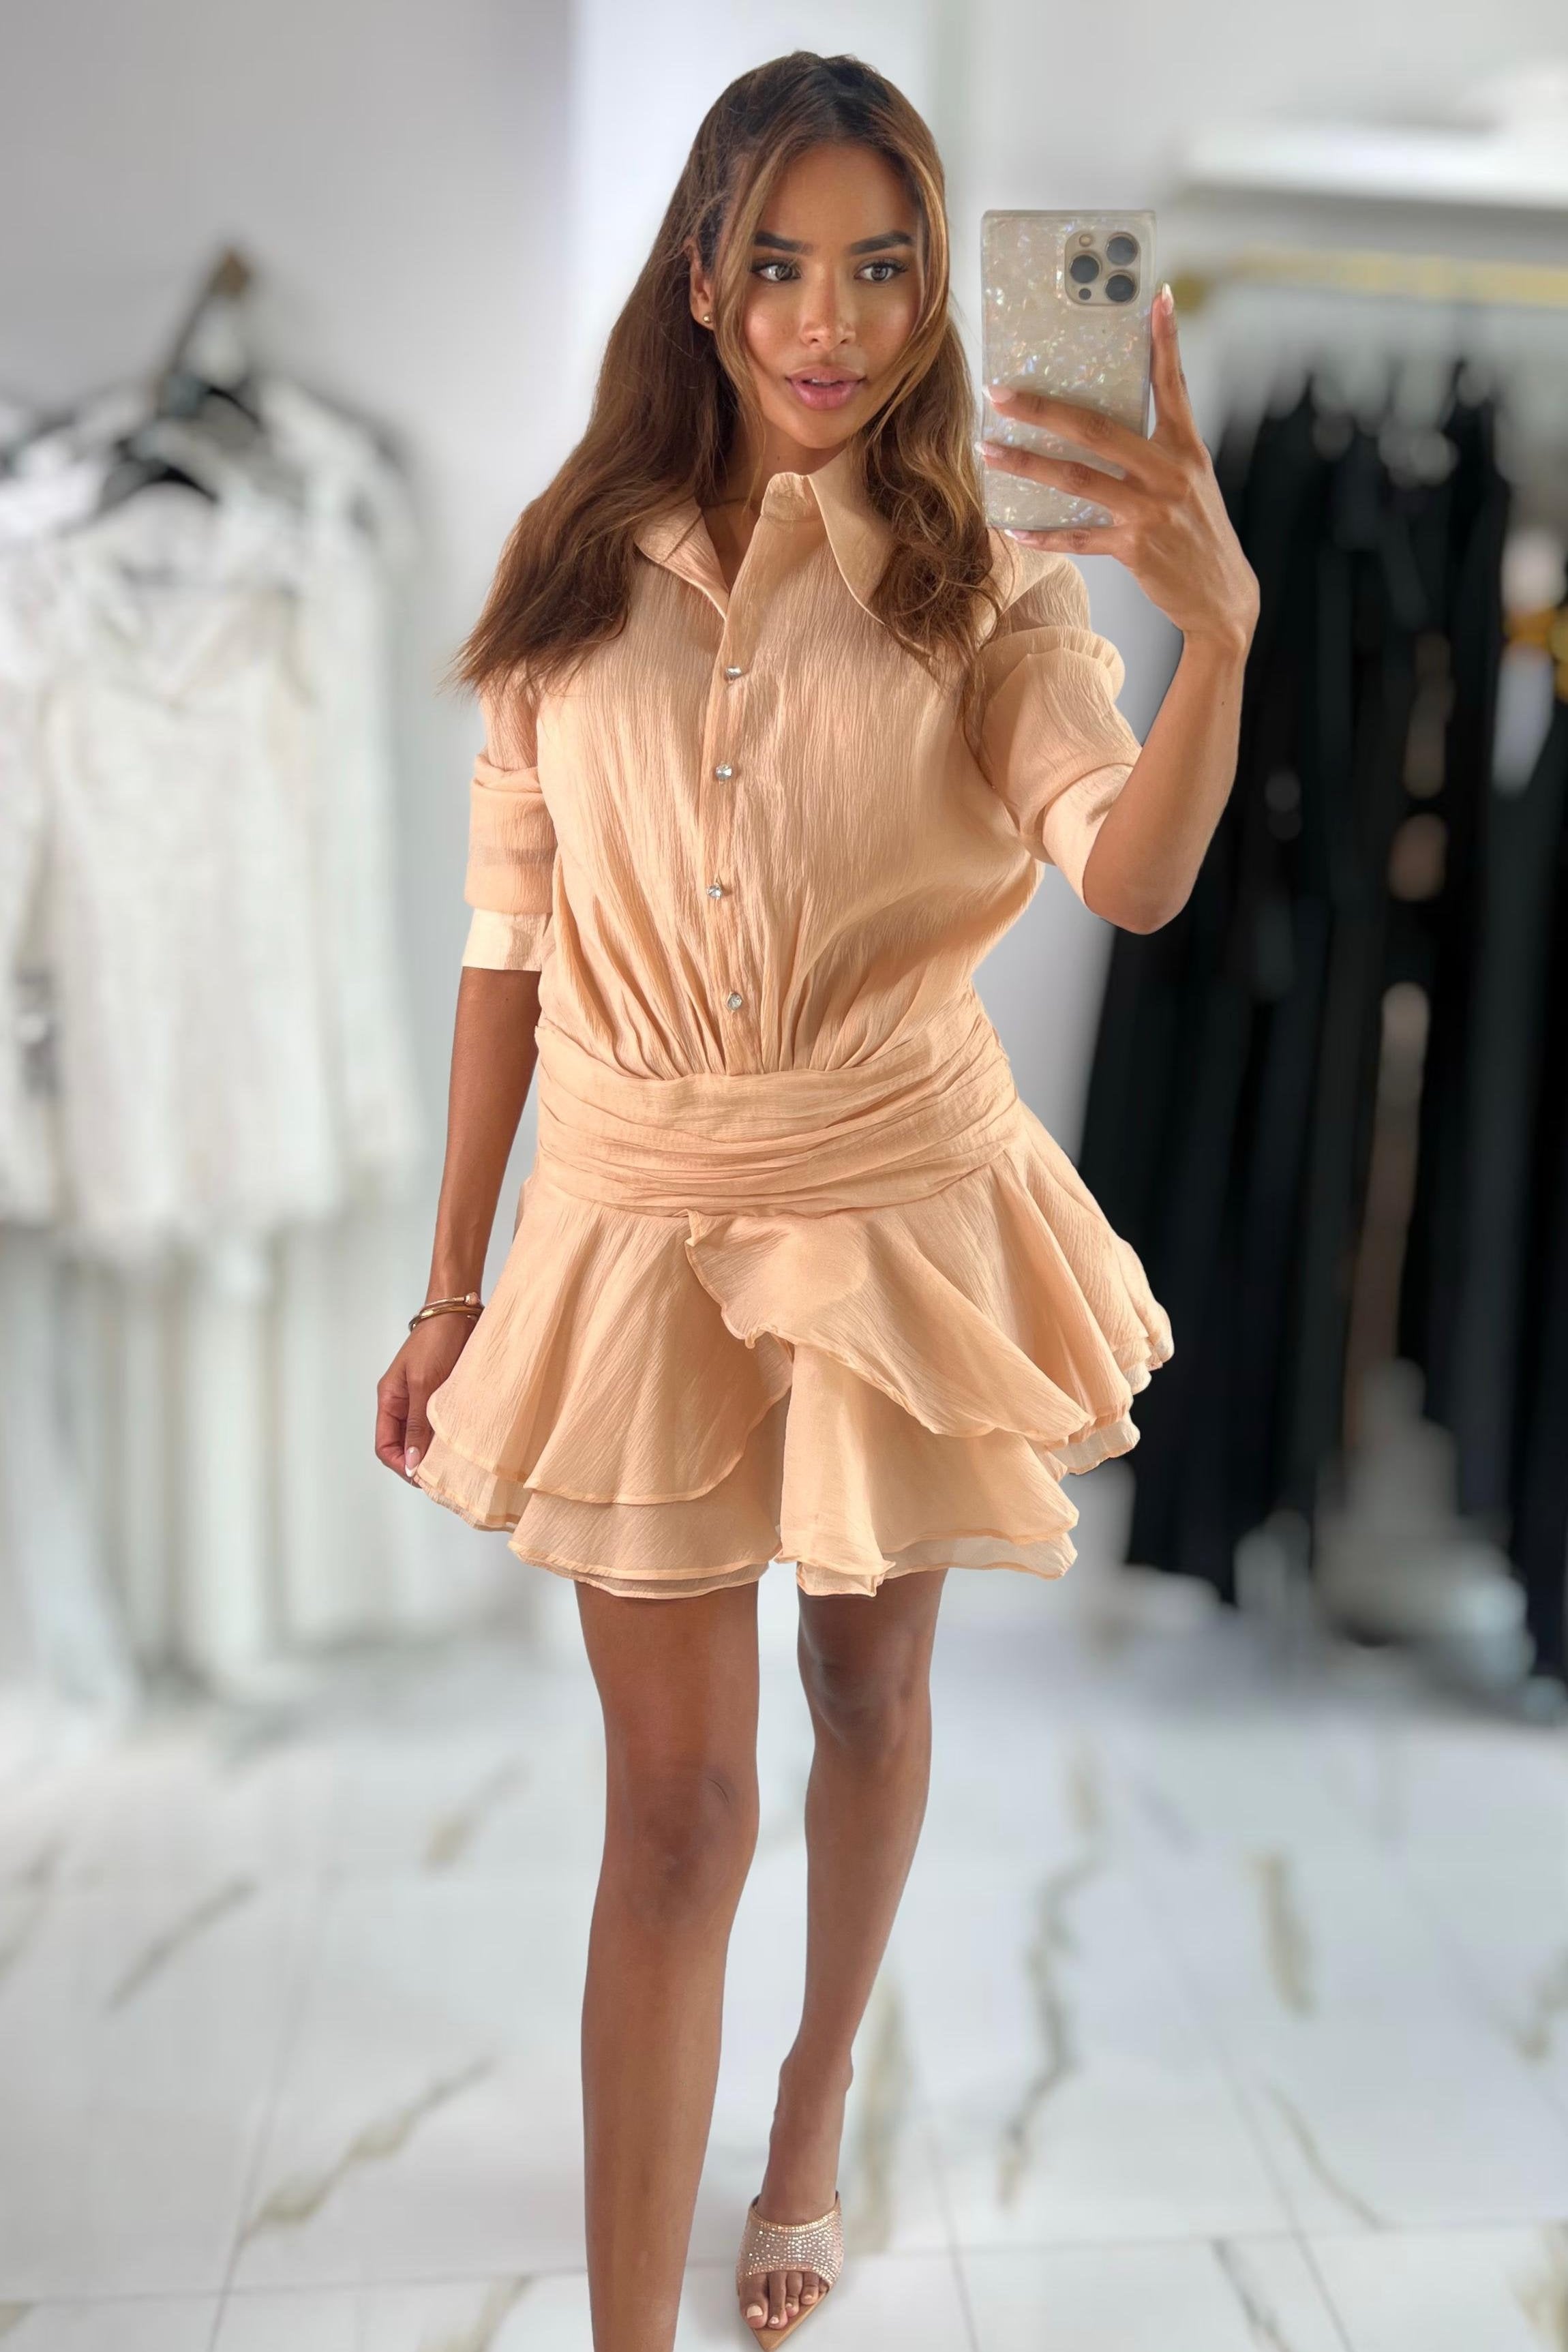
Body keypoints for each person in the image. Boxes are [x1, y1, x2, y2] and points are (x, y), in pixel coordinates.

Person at [374, 48, 1258, 2352]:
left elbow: (1131, 875)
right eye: (778, 264)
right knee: (674, 1811)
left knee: (865, 1686)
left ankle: (811, 2096)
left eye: (880, 268)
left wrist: (1220, 631)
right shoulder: (568, 569)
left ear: (937, 292)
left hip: (892, 1194)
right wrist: (451, 1284)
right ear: (698, 277)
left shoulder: (989, 584)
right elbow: (503, 951)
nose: (828, 321)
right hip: (633, 1214)